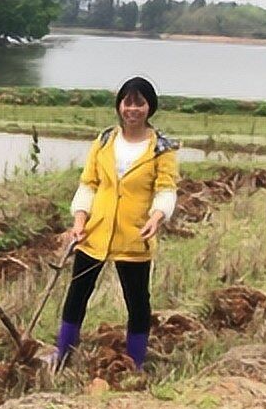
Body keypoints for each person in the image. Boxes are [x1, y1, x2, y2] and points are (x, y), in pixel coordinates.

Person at [49, 76, 179, 372]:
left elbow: (166, 188)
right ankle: (63, 356)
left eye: (140, 103)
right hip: (95, 233)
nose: (133, 109)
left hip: (134, 235)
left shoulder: (162, 148)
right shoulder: (105, 140)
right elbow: (89, 183)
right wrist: (79, 220)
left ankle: (135, 364)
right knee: (77, 294)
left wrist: (157, 217)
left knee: (137, 301)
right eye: (128, 102)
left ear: (150, 107)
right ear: (120, 105)